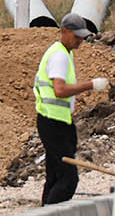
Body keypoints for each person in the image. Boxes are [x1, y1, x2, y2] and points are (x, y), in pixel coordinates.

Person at [36, 12, 109, 206]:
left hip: (56, 121)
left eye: (82, 37)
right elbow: (59, 90)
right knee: (68, 179)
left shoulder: (61, 52)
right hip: (53, 123)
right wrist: (91, 85)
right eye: (77, 36)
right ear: (64, 31)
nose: (80, 41)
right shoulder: (59, 55)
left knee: (54, 175)